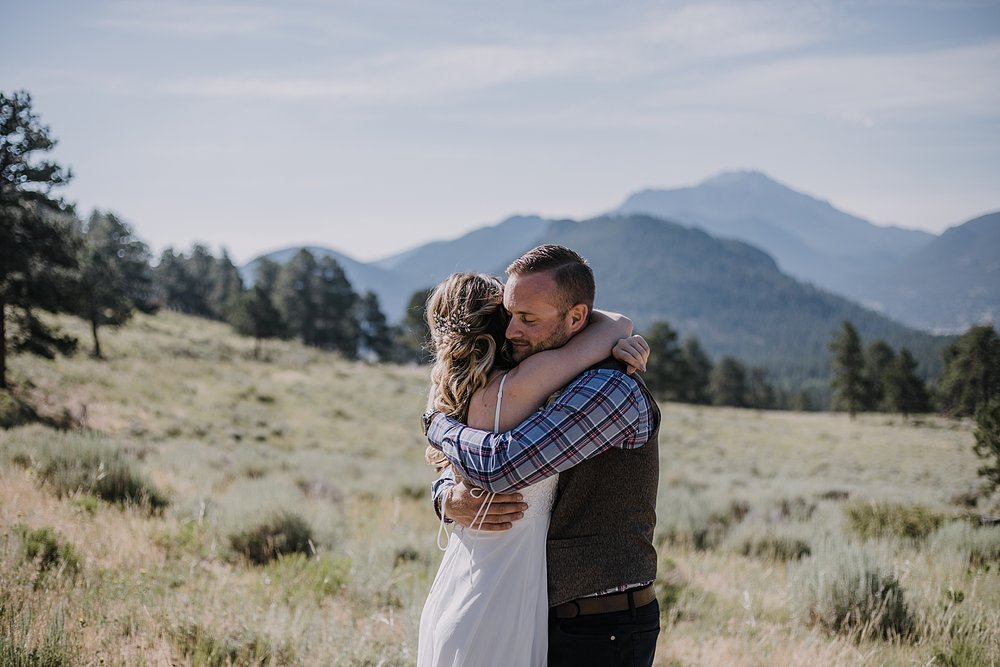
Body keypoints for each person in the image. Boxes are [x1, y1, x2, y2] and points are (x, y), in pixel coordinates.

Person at [423, 245, 662, 667]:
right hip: (536, 609)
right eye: (509, 316)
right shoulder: (531, 379)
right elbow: (468, 465)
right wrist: (446, 498)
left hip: (600, 624)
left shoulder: (608, 386)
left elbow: (501, 466)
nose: (513, 331)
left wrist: (437, 424)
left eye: (527, 319)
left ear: (575, 318)